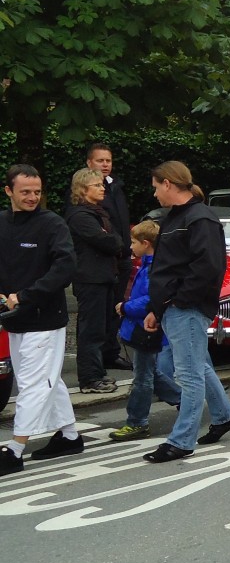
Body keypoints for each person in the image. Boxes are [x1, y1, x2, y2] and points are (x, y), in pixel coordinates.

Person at [142, 161, 230, 462]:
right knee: (197, 366)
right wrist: (158, 308)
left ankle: (182, 441)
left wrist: (178, 301)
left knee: (189, 374)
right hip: (176, 307)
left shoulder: (199, 218)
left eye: (156, 186)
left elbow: (208, 267)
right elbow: (170, 267)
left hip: (187, 307)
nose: (155, 193)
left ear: (168, 183)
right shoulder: (180, 217)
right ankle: (224, 415)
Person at [0, 164, 84, 477]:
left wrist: (25, 296)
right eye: (25, 192)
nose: (32, 197)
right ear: (8, 191)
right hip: (14, 320)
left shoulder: (52, 224)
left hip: (45, 320)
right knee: (49, 380)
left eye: (37, 192)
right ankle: (70, 437)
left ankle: (15, 450)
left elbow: (65, 267)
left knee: (33, 385)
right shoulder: (2, 223)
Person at [110, 221, 182, 441]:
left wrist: (125, 307)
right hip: (141, 327)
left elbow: (151, 299)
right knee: (149, 371)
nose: (130, 246)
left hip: (145, 328)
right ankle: (185, 400)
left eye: (133, 242)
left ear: (146, 243)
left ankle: (137, 422)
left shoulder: (152, 268)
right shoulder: (150, 264)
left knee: (142, 378)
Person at [64, 167, 123, 394]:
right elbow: (108, 241)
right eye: (97, 185)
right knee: (91, 331)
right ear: (83, 189)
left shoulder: (97, 213)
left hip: (103, 277)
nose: (102, 189)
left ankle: (96, 373)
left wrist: (113, 240)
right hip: (90, 280)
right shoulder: (80, 216)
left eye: (102, 184)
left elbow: (114, 238)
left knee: (100, 329)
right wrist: (113, 240)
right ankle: (89, 379)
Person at [76, 143, 133, 371]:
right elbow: (104, 235)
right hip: (98, 266)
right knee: (94, 320)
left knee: (114, 310)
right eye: (100, 160)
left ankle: (110, 353)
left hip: (120, 259)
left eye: (108, 160)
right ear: (89, 163)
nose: (105, 164)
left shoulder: (115, 186)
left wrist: (123, 246)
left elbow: (118, 225)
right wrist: (114, 242)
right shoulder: (83, 203)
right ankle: (93, 367)